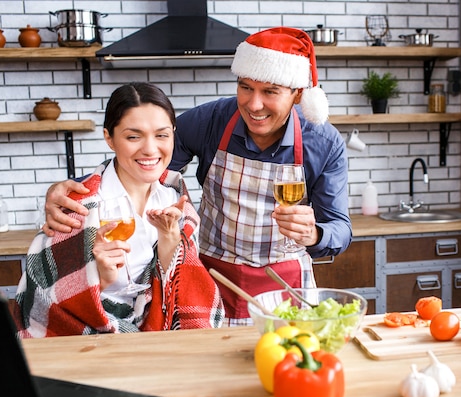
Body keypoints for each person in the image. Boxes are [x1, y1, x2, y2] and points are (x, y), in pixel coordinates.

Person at [41, 27, 352, 325]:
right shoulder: (211, 120)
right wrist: (79, 190)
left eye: (270, 92)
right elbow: (145, 164)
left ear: (297, 94)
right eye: (245, 87)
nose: (254, 104)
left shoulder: (323, 143)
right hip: (212, 280)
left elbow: (340, 228)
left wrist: (314, 235)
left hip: (286, 287)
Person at [14, 82, 225, 337]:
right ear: (109, 138)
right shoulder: (77, 205)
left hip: (161, 340)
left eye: (161, 135)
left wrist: (169, 239)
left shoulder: (175, 197)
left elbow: (179, 286)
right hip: (90, 343)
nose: (150, 149)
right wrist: (97, 279)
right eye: (133, 136)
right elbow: (45, 297)